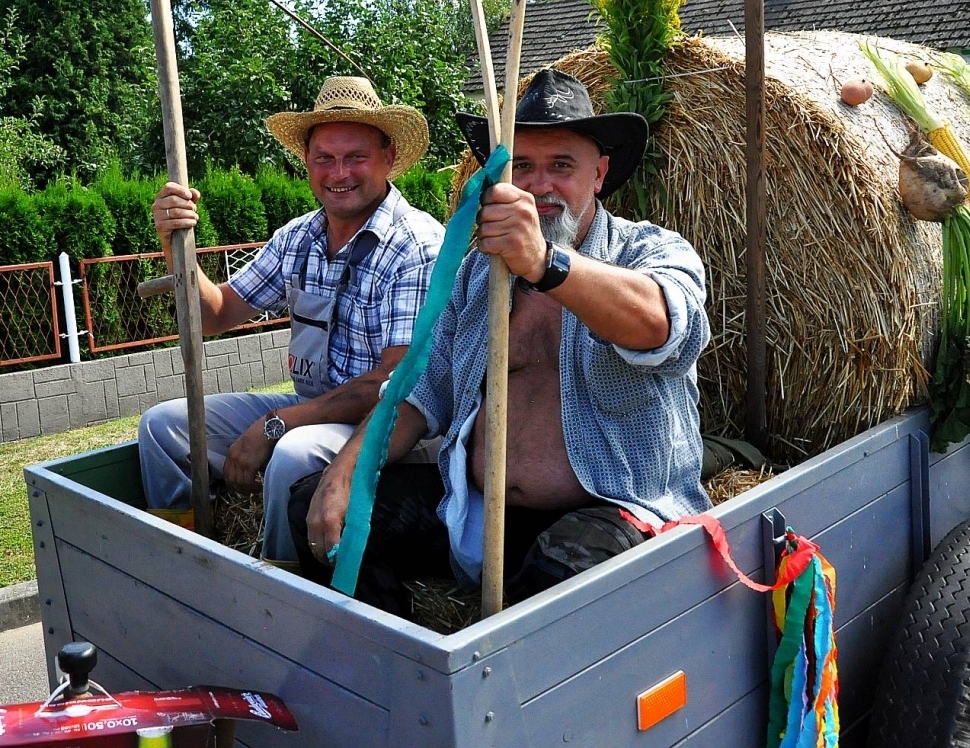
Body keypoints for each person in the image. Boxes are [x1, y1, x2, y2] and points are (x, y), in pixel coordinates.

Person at [290, 67, 712, 615]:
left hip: (616, 508)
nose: (539, 185)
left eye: (562, 166)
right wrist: (348, 469)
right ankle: (409, 664)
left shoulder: (649, 251)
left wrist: (545, 264)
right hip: (474, 513)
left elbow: (664, 325)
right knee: (323, 511)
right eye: (524, 167)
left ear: (599, 174)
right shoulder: (477, 277)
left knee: (560, 573)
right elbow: (420, 392)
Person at [138, 76, 445, 562]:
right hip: (314, 407)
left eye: (355, 157)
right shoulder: (298, 238)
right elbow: (214, 314)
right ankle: (186, 559)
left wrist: (275, 424)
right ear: (306, 161)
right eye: (324, 157)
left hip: (393, 428)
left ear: (389, 158)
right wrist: (175, 243)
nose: (338, 171)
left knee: (293, 453)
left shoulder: (417, 245)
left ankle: (280, 589)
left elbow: (394, 383)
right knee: (163, 426)